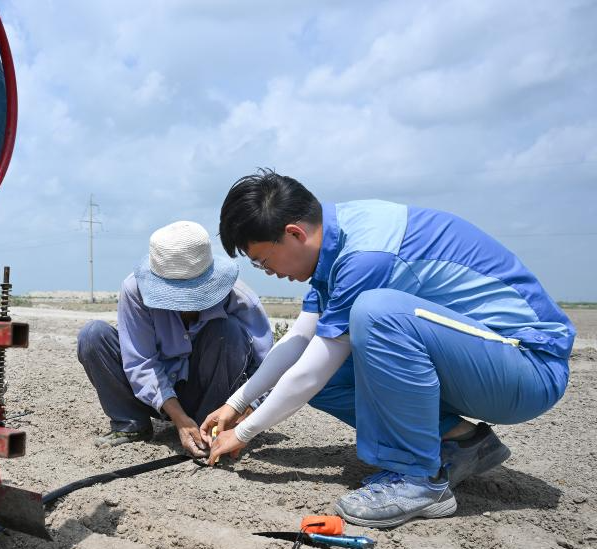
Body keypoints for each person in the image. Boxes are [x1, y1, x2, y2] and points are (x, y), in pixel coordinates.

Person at [202, 169, 574, 528]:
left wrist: (245, 432)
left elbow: (316, 365)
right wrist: (237, 403)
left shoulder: (365, 255)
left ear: (294, 233)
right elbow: (300, 341)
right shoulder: (334, 244)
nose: (269, 272)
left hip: (526, 369)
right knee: (327, 370)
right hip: (480, 363)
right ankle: (460, 442)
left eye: (264, 261)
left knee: (377, 314)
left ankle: (419, 481)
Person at [77, 220, 274, 456]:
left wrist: (245, 414)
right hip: (152, 395)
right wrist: (180, 419)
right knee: (93, 335)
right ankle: (132, 424)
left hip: (212, 395)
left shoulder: (239, 298)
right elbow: (140, 362)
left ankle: (208, 424)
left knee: (228, 330)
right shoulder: (135, 290)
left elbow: (268, 368)